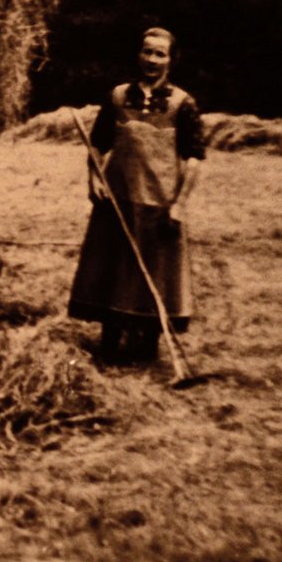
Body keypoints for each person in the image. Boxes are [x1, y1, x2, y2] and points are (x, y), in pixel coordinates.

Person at [67, 27, 206, 364]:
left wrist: (180, 205)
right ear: (138, 54)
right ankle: (110, 342)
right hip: (117, 200)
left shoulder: (182, 104)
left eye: (160, 54)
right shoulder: (117, 97)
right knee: (112, 269)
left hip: (161, 204)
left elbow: (195, 158)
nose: (152, 60)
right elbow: (99, 145)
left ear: (171, 60)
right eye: (147, 52)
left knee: (157, 275)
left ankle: (147, 346)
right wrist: (93, 179)